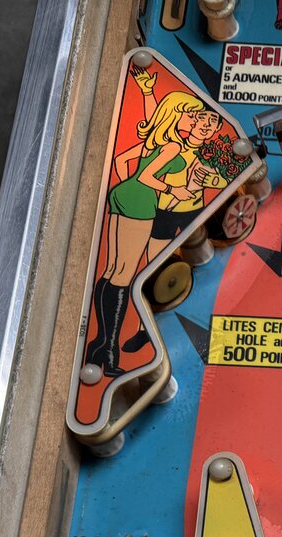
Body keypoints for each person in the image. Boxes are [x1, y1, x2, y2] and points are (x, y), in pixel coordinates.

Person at [88, 91, 209, 376]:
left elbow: (122, 160)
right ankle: (107, 350)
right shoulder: (173, 147)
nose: (194, 120)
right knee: (124, 275)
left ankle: (100, 346)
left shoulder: (158, 139)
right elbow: (146, 177)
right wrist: (171, 189)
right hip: (140, 204)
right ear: (176, 115)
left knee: (112, 270)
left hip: (123, 195)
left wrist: (126, 188)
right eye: (191, 115)